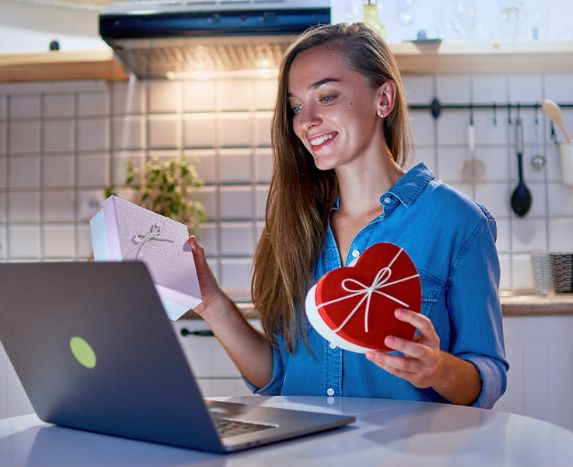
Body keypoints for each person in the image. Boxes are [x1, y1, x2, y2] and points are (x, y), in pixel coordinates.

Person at [188, 22, 507, 408]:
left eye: (326, 97)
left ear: (384, 99)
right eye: (295, 106)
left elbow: (487, 374)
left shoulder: (458, 222)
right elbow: (276, 377)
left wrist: (438, 370)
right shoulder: (297, 224)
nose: (305, 122)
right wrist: (211, 304)